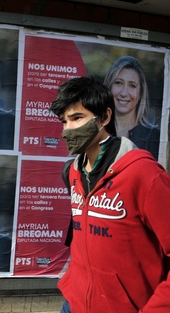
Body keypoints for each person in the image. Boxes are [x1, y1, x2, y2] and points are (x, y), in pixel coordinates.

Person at [50, 76, 170, 312]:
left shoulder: (145, 174)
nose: (67, 130)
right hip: (73, 305)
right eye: (64, 121)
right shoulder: (73, 172)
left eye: (77, 118)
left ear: (104, 117)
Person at [103, 55, 160, 159]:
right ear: (109, 87)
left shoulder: (156, 137)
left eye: (132, 85)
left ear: (140, 92)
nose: (124, 93)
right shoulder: (95, 130)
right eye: (119, 83)